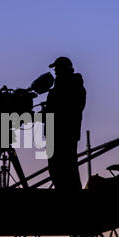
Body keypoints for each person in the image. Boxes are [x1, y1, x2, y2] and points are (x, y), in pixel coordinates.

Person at [45, 56, 86, 192]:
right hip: (58, 133)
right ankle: (64, 192)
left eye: (57, 68)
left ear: (64, 69)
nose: (55, 71)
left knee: (66, 167)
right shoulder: (62, 86)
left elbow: (68, 108)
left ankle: (70, 195)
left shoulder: (71, 86)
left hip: (64, 133)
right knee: (57, 169)